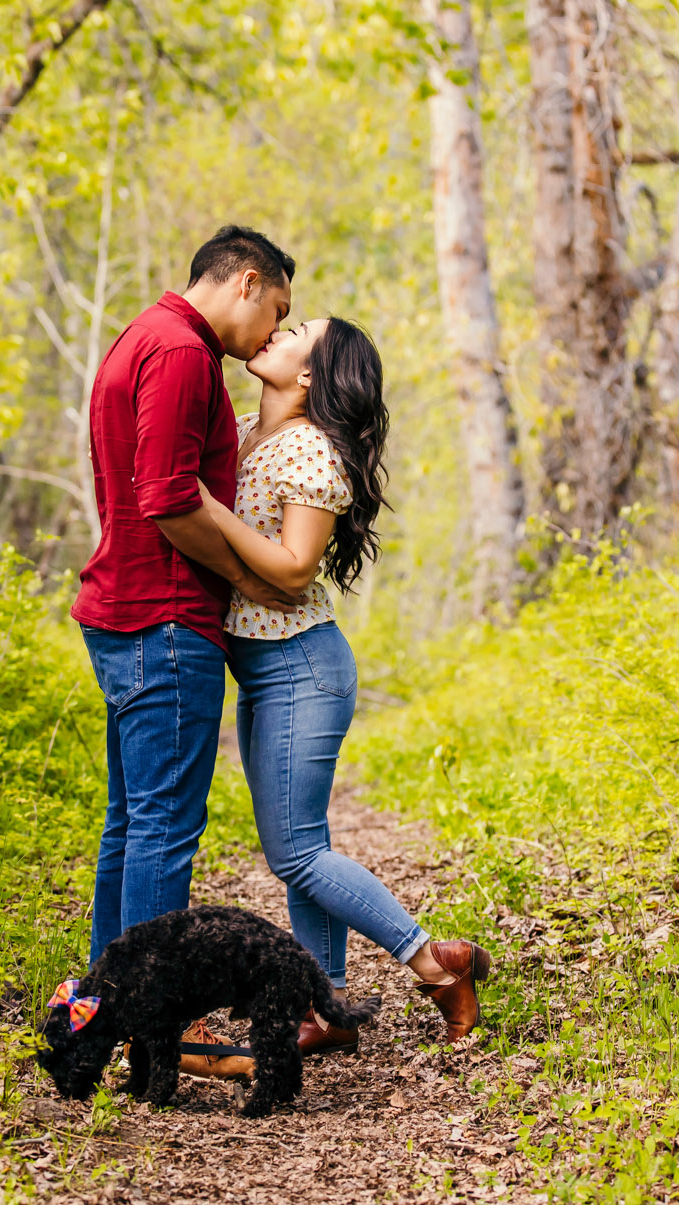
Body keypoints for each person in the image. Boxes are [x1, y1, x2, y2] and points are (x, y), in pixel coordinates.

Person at [193, 315, 492, 1051]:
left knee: (294, 851)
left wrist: (205, 508)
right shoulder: (246, 432)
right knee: (302, 843)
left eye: (294, 331)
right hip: (265, 668)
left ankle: (434, 961)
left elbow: (293, 567)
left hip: (301, 664)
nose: (273, 330)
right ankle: (323, 1007)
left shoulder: (310, 450)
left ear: (309, 377)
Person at [71, 226, 300, 1078]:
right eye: (276, 311)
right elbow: (168, 500)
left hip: (129, 616)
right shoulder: (181, 352)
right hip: (162, 622)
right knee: (163, 830)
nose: (273, 333)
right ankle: (159, 1030)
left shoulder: (143, 337)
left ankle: (101, 1010)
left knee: (133, 826)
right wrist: (257, 576)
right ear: (247, 282)